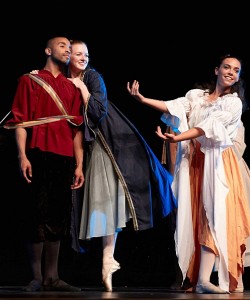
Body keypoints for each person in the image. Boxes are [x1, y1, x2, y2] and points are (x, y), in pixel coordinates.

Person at [127, 54, 250, 294]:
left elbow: (209, 127)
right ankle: (200, 278)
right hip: (196, 163)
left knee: (214, 215)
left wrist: (178, 138)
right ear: (216, 70)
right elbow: (173, 106)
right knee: (197, 218)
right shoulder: (196, 97)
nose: (230, 72)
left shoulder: (233, 103)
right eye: (226, 67)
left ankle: (210, 278)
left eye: (236, 70)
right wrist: (142, 100)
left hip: (218, 163)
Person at [67, 39, 177, 292]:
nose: (83, 57)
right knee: (97, 199)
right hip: (82, 144)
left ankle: (107, 258)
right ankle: (106, 260)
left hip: (110, 141)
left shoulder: (92, 77)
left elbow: (97, 111)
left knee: (109, 196)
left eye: (86, 54)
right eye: (77, 53)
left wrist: (82, 90)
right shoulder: (63, 79)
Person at [4, 37, 84, 292]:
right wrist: (22, 156)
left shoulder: (72, 87)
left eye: (69, 48)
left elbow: (77, 129)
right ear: (48, 50)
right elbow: (20, 121)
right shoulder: (30, 80)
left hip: (63, 155)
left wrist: (79, 164)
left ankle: (53, 276)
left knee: (58, 214)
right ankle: (36, 276)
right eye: (62, 46)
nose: (68, 50)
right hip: (37, 152)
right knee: (35, 213)